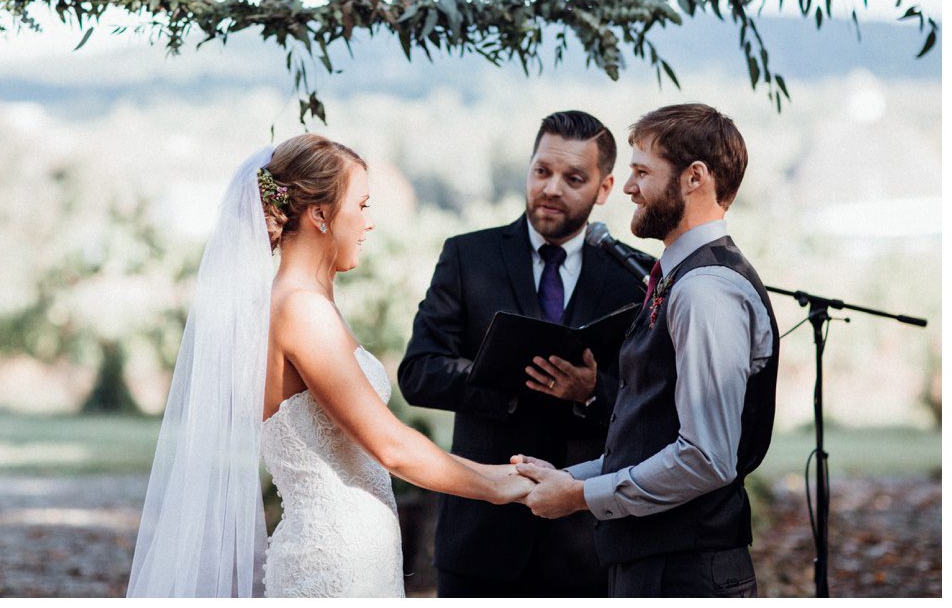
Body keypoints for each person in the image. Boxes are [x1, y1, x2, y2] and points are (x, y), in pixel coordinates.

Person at [126, 134, 533, 598]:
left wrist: (502, 474)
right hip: (335, 567)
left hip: (354, 556)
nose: (369, 223)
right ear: (319, 214)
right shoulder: (300, 310)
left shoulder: (305, 304)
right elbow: (390, 446)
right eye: (361, 204)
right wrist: (499, 488)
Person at [514, 103, 780, 597]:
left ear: (694, 178)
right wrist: (565, 477)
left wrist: (579, 496)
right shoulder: (682, 278)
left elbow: (705, 458)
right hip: (656, 565)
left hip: (685, 574)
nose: (629, 187)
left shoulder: (706, 291)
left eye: (641, 172)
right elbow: (652, 438)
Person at [398, 110, 651, 597]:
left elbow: (652, 404)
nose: (552, 188)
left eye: (573, 178)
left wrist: (591, 392)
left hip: (588, 546)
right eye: (542, 172)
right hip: (481, 539)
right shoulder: (467, 256)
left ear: (604, 188)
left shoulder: (636, 276)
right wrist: (511, 379)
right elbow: (419, 372)